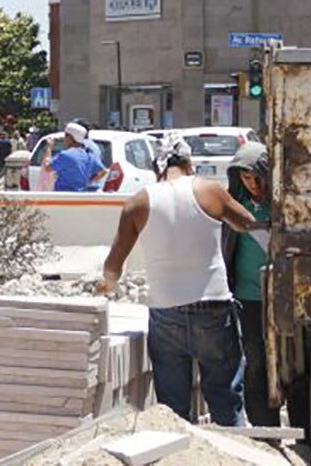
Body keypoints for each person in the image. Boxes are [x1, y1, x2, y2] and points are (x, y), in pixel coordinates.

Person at [98, 133, 254, 427]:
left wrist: (107, 286)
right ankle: (234, 445)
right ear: (189, 164)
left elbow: (112, 267)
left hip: (166, 310)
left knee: (172, 408)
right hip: (213, 306)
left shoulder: (137, 203)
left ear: (157, 168)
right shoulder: (209, 190)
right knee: (224, 396)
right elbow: (246, 223)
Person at [222, 142, 278, 427]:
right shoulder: (235, 208)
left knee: (288, 363)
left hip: (280, 297)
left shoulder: (280, 208)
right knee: (255, 362)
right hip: (248, 298)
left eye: (257, 177)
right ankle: (264, 427)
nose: (253, 184)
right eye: (246, 178)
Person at [43, 122, 106, 192]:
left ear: (70, 138)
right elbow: (103, 171)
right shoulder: (90, 155)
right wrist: (89, 182)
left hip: (63, 194)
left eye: (66, 136)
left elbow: (47, 168)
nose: (64, 139)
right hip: (82, 194)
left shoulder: (65, 155)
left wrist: (49, 147)